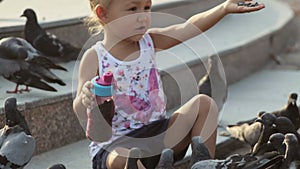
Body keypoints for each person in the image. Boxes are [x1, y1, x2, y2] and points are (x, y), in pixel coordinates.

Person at [73, 0, 265, 168]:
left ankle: (203, 165)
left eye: (147, 7)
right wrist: (85, 97)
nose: (143, 17)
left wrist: (224, 8)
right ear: (103, 13)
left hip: (159, 137)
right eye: (133, 9)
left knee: (204, 104)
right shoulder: (95, 57)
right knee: (123, 157)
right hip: (115, 145)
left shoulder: (150, 41)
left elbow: (188, 27)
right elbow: (79, 109)